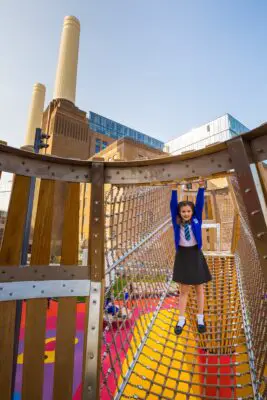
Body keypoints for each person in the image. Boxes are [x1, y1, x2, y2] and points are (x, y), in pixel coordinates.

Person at [170, 179, 212, 335]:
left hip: (195, 254)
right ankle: (181, 319)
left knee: (199, 288)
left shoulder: (196, 219)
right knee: (184, 290)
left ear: (192, 212)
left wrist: (201, 187)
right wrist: (174, 190)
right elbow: (173, 206)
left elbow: (200, 204)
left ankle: (200, 318)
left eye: (188, 211)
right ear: (179, 213)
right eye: (183, 211)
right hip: (183, 255)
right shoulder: (177, 222)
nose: (186, 213)